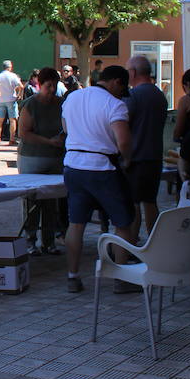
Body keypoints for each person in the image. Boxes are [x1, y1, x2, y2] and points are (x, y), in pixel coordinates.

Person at [60, 66, 136, 294]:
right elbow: (123, 141)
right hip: (102, 167)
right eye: (122, 88)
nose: (122, 93)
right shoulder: (114, 104)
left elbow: (65, 128)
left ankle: (72, 276)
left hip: (73, 165)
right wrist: (128, 160)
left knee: (76, 223)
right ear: (115, 82)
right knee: (123, 223)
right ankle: (121, 278)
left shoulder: (73, 97)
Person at [17, 67, 66, 256]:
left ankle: (49, 241)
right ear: (40, 84)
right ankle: (30, 241)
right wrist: (49, 141)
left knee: (51, 201)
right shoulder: (30, 104)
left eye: (55, 85)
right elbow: (23, 133)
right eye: (48, 86)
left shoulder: (61, 104)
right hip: (32, 158)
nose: (52, 89)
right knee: (32, 200)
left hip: (55, 159)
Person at [125, 55, 170, 236]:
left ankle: (130, 244)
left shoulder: (134, 95)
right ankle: (155, 241)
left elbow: (123, 122)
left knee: (133, 203)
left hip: (136, 157)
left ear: (133, 72)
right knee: (150, 202)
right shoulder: (159, 95)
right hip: (154, 156)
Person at [0, 60, 24, 146]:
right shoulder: (13, 76)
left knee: (0, 120)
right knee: (12, 120)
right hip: (11, 99)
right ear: (10, 67)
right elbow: (21, 86)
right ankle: (11, 139)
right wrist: (18, 95)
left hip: (0, 100)